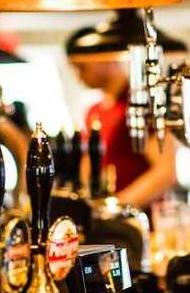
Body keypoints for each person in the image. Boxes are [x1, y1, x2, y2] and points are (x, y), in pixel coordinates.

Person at [69, 56, 177, 209]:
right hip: (111, 218)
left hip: (141, 220)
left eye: (82, 67)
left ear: (105, 58)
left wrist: (116, 208)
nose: (78, 75)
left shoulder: (140, 104)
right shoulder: (94, 111)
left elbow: (165, 172)